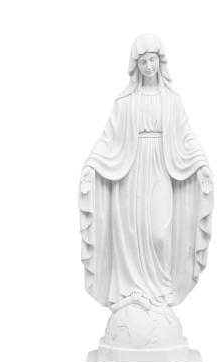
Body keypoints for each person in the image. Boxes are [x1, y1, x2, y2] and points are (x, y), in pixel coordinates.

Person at [79, 33, 214, 317]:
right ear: (135, 65)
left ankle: (162, 292)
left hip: (160, 168)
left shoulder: (172, 100)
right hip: (130, 171)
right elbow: (108, 138)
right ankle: (132, 294)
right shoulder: (126, 102)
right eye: (143, 61)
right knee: (130, 235)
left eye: (152, 59)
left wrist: (201, 164)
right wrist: (91, 165)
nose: (149, 66)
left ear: (161, 61)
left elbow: (187, 137)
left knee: (159, 233)